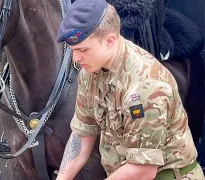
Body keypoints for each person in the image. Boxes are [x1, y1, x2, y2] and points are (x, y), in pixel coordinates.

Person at [55, 0, 205, 179]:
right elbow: (82, 135)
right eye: (73, 50)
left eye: (83, 50)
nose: (76, 58)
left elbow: (143, 170)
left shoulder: (145, 87)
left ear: (110, 41)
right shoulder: (90, 73)